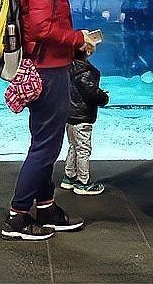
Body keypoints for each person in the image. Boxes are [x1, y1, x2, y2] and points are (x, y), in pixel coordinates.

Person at [2, 0, 98, 241]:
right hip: (49, 68)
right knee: (45, 146)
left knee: (46, 141)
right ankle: (17, 215)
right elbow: (42, 28)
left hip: (48, 65)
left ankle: (45, 206)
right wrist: (77, 37)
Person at [60, 48, 109, 196]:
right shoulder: (84, 72)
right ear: (87, 51)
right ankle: (83, 182)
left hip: (69, 116)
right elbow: (91, 93)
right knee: (83, 150)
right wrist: (103, 97)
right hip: (83, 118)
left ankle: (69, 177)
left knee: (73, 146)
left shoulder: (66, 68)